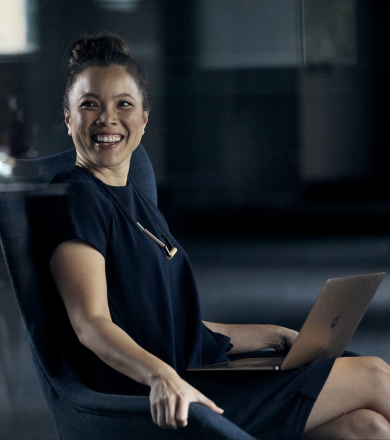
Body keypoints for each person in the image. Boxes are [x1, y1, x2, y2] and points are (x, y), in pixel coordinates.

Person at [48, 32, 390, 439]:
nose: (107, 118)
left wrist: (273, 335)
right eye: (89, 104)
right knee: (374, 374)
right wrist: (160, 377)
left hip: (196, 373)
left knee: (365, 428)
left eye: (124, 104)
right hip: (161, 397)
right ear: (68, 118)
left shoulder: (136, 202)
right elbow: (91, 322)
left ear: (144, 118)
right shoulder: (78, 196)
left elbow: (169, 326)